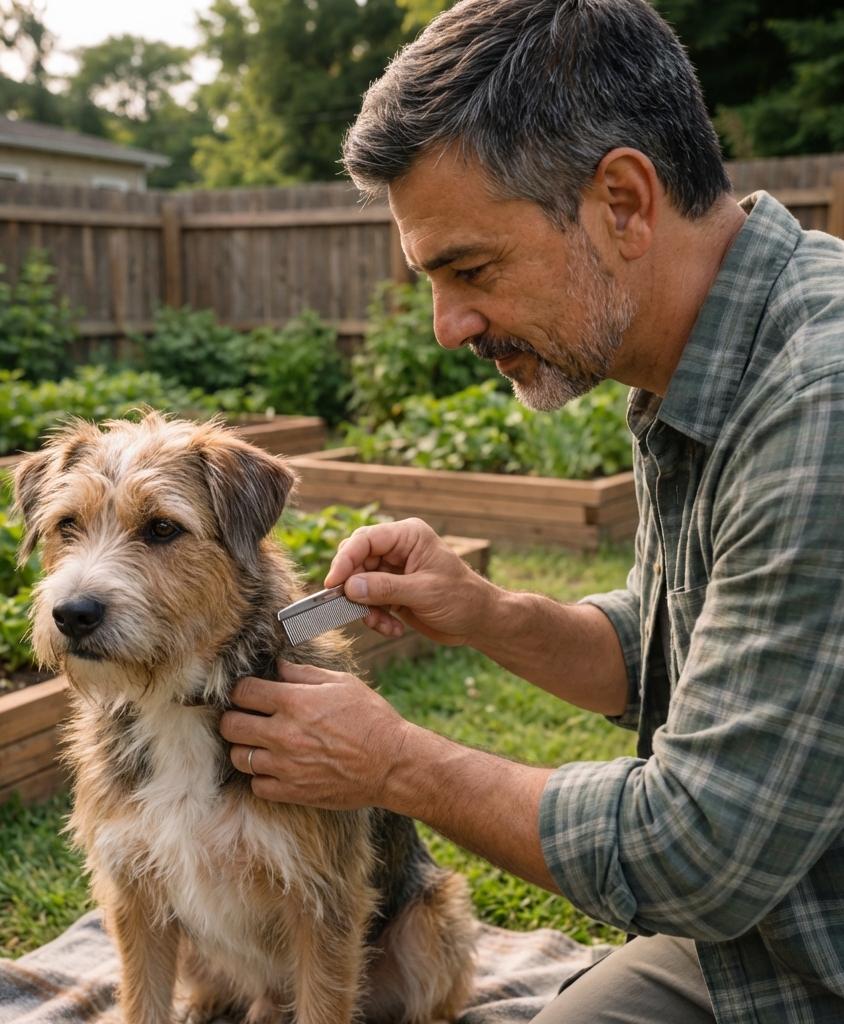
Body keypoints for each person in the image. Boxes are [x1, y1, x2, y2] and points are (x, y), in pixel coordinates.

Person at [218, 0, 844, 1019]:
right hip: (762, 936)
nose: (446, 324)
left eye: (469, 269)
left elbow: (695, 854)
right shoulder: (703, 357)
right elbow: (661, 651)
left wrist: (395, 764)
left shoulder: (821, 406)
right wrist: (486, 612)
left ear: (624, 202)